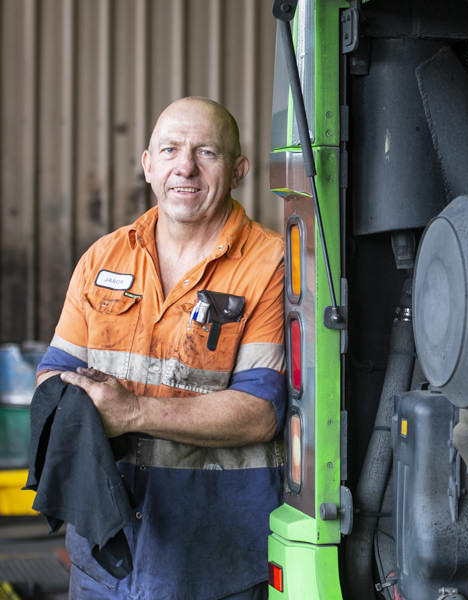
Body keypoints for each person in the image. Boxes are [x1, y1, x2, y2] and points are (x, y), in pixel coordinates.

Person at [36, 97, 286, 599]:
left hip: (216, 559)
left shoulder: (272, 264)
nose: (185, 166)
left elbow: (260, 412)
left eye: (206, 152)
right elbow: (51, 377)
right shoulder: (103, 256)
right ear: (148, 165)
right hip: (104, 556)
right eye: (170, 149)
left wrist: (130, 412)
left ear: (238, 169)